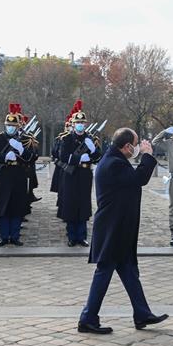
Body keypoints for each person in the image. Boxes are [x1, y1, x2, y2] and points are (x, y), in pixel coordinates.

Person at [78, 128, 168, 335]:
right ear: (127, 146)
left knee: (128, 271)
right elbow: (139, 179)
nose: (137, 147)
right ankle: (88, 318)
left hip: (119, 227)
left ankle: (142, 313)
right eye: (136, 144)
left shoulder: (114, 159)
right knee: (104, 271)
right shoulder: (114, 163)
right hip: (113, 228)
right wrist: (147, 155)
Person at [59, 103, 102, 247]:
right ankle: (71, 236)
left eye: (82, 123)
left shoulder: (90, 139)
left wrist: (93, 150)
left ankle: (82, 236)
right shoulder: (66, 139)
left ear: (85, 124)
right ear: (73, 123)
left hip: (85, 174)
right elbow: (63, 156)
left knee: (83, 204)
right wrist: (78, 159)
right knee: (71, 204)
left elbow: (98, 158)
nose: (80, 125)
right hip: (71, 174)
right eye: (77, 122)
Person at [0, 104, 29, 246]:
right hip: (4, 175)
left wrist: (21, 150)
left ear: (18, 126)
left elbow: (32, 157)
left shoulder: (24, 139)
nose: (11, 127)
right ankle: (4, 236)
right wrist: (4, 157)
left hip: (18, 175)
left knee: (17, 207)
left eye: (13, 125)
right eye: (8, 125)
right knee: (3, 207)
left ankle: (15, 236)